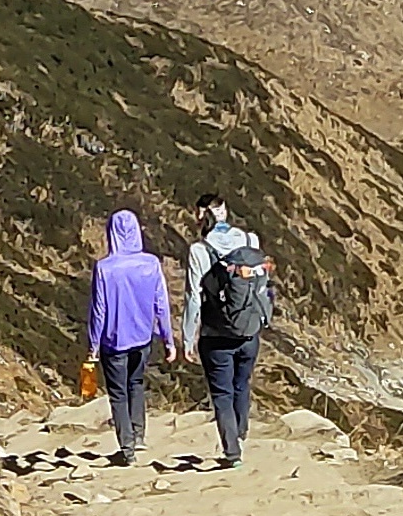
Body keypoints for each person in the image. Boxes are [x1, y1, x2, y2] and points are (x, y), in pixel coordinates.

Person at [179, 198, 276, 468]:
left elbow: (193, 297)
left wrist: (188, 336)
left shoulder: (200, 250)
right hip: (249, 331)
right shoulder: (250, 240)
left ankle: (232, 452)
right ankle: (241, 431)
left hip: (216, 334)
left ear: (202, 216)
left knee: (222, 393)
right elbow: (260, 285)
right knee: (241, 384)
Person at [81, 210, 169, 466]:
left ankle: (127, 448)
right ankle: (139, 435)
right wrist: (168, 339)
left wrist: (93, 346)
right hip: (143, 337)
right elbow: (161, 304)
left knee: (118, 394)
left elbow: (99, 310)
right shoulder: (151, 263)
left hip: (114, 341)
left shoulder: (105, 268)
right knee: (136, 384)